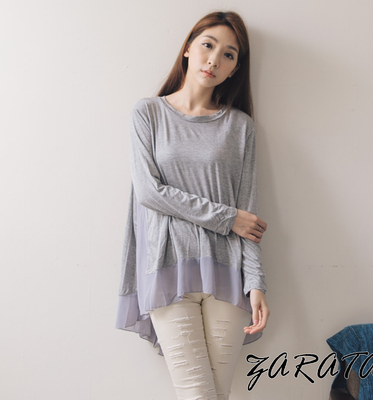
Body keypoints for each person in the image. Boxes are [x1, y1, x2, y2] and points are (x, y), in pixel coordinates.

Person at [116, 10, 270, 400]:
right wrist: (226, 218)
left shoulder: (240, 127)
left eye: (228, 54)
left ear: (235, 68)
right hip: (169, 268)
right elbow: (149, 192)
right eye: (208, 45)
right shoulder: (148, 113)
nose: (214, 60)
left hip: (228, 274)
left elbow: (249, 214)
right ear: (188, 48)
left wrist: (255, 283)